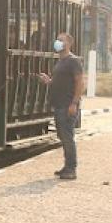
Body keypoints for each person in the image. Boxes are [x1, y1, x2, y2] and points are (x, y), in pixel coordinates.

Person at [38, 32, 85, 180]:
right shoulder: (60, 61)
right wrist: (49, 81)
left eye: (61, 40)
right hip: (59, 104)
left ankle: (71, 168)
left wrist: (74, 103)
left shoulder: (73, 61)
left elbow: (80, 83)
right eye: (57, 40)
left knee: (67, 136)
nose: (57, 42)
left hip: (67, 105)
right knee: (63, 136)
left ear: (69, 43)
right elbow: (61, 82)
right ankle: (67, 166)